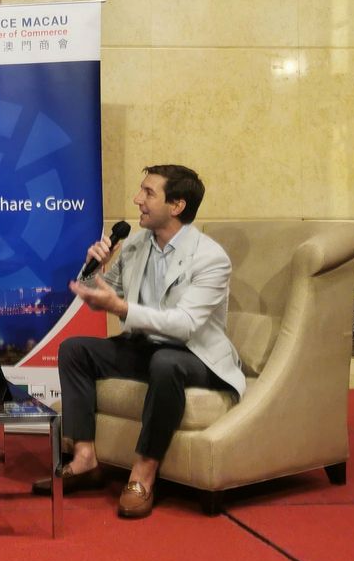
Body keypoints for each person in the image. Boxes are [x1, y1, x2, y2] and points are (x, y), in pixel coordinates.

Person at [34, 164, 244, 518]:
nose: (137, 199)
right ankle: (84, 459)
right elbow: (100, 296)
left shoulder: (210, 258)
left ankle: (144, 472)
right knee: (75, 350)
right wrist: (94, 267)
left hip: (195, 354)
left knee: (166, 362)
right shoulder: (135, 245)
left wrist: (122, 308)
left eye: (148, 193)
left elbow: (185, 325)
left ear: (176, 205)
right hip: (145, 346)